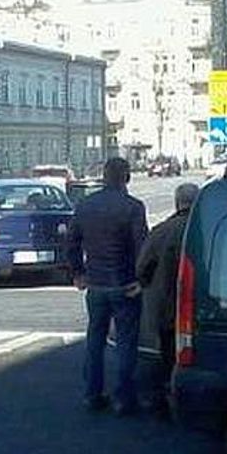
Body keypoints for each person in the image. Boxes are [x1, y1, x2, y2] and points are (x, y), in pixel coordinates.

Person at [66, 157, 148, 416]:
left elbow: (71, 242)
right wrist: (141, 280)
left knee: (95, 341)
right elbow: (141, 247)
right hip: (125, 284)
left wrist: (78, 272)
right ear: (127, 177)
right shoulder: (133, 207)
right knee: (126, 343)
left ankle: (92, 394)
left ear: (103, 176)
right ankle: (124, 399)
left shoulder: (85, 205)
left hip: (96, 284)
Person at [135, 182, 199, 416]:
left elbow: (142, 269)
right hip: (204, 307)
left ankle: (167, 399)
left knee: (169, 355)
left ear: (177, 202)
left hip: (167, 307)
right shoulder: (205, 228)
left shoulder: (162, 231)